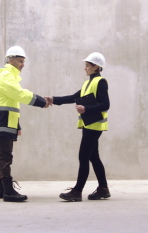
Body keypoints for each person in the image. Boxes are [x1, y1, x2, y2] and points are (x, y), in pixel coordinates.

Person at [46, 52, 111, 202]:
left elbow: (106, 104)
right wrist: (53, 99)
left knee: (83, 157)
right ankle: (103, 189)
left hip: (94, 125)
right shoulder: (88, 83)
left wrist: (86, 109)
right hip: (89, 124)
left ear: (96, 67)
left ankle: (77, 191)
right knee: (93, 157)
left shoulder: (100, 82)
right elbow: (73, 97)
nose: (85, 68)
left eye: (87, 66)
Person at [0, 45, 48, 202]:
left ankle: (0, 189)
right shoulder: (5, 76)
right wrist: (41, 101)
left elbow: (11, 101)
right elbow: (19, 94)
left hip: (3, 120)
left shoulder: (7, 76)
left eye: (23, 61)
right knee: (4, 155)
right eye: (20, 61)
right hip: (2, 120)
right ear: (11, 60)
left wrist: (17, 125)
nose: (23, 65)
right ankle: (8, 191)